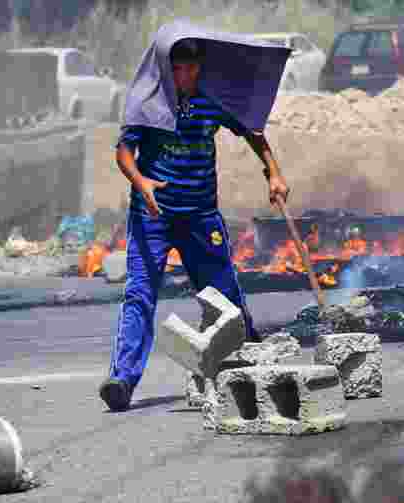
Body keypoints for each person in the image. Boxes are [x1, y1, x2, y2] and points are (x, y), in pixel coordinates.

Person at [99, 30, 290, 411]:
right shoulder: (149, 104)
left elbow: (251, 130)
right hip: (152, 215)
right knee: (139, 293)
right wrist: (140, 182)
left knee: (223, 294)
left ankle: (247, 356)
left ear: (200, 69)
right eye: (179, 68)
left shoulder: (211, 101)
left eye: (192, 68)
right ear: (168, 70)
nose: (186, 75)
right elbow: (124, 152)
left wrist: (273, 172)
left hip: (200, 216)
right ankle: (122, 378)